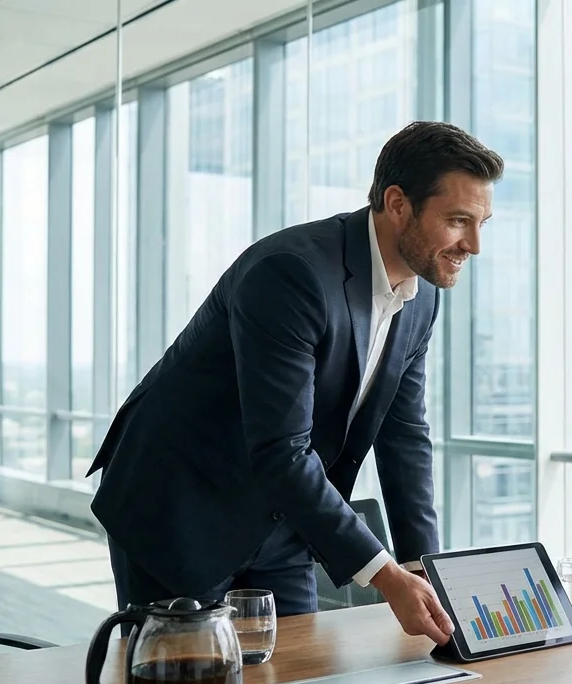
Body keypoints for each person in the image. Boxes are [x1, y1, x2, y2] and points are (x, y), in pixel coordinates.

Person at [88, 121, 504, 645]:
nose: (474, 245)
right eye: (459, 221)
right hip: (182, 502)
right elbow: (282, 450)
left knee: (298, 682)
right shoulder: (292, 273)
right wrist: (383, 576)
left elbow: (404, 439)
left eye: (483, 222)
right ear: (398, 203)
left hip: (282, 514)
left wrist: (424, 570)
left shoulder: (421, 297)